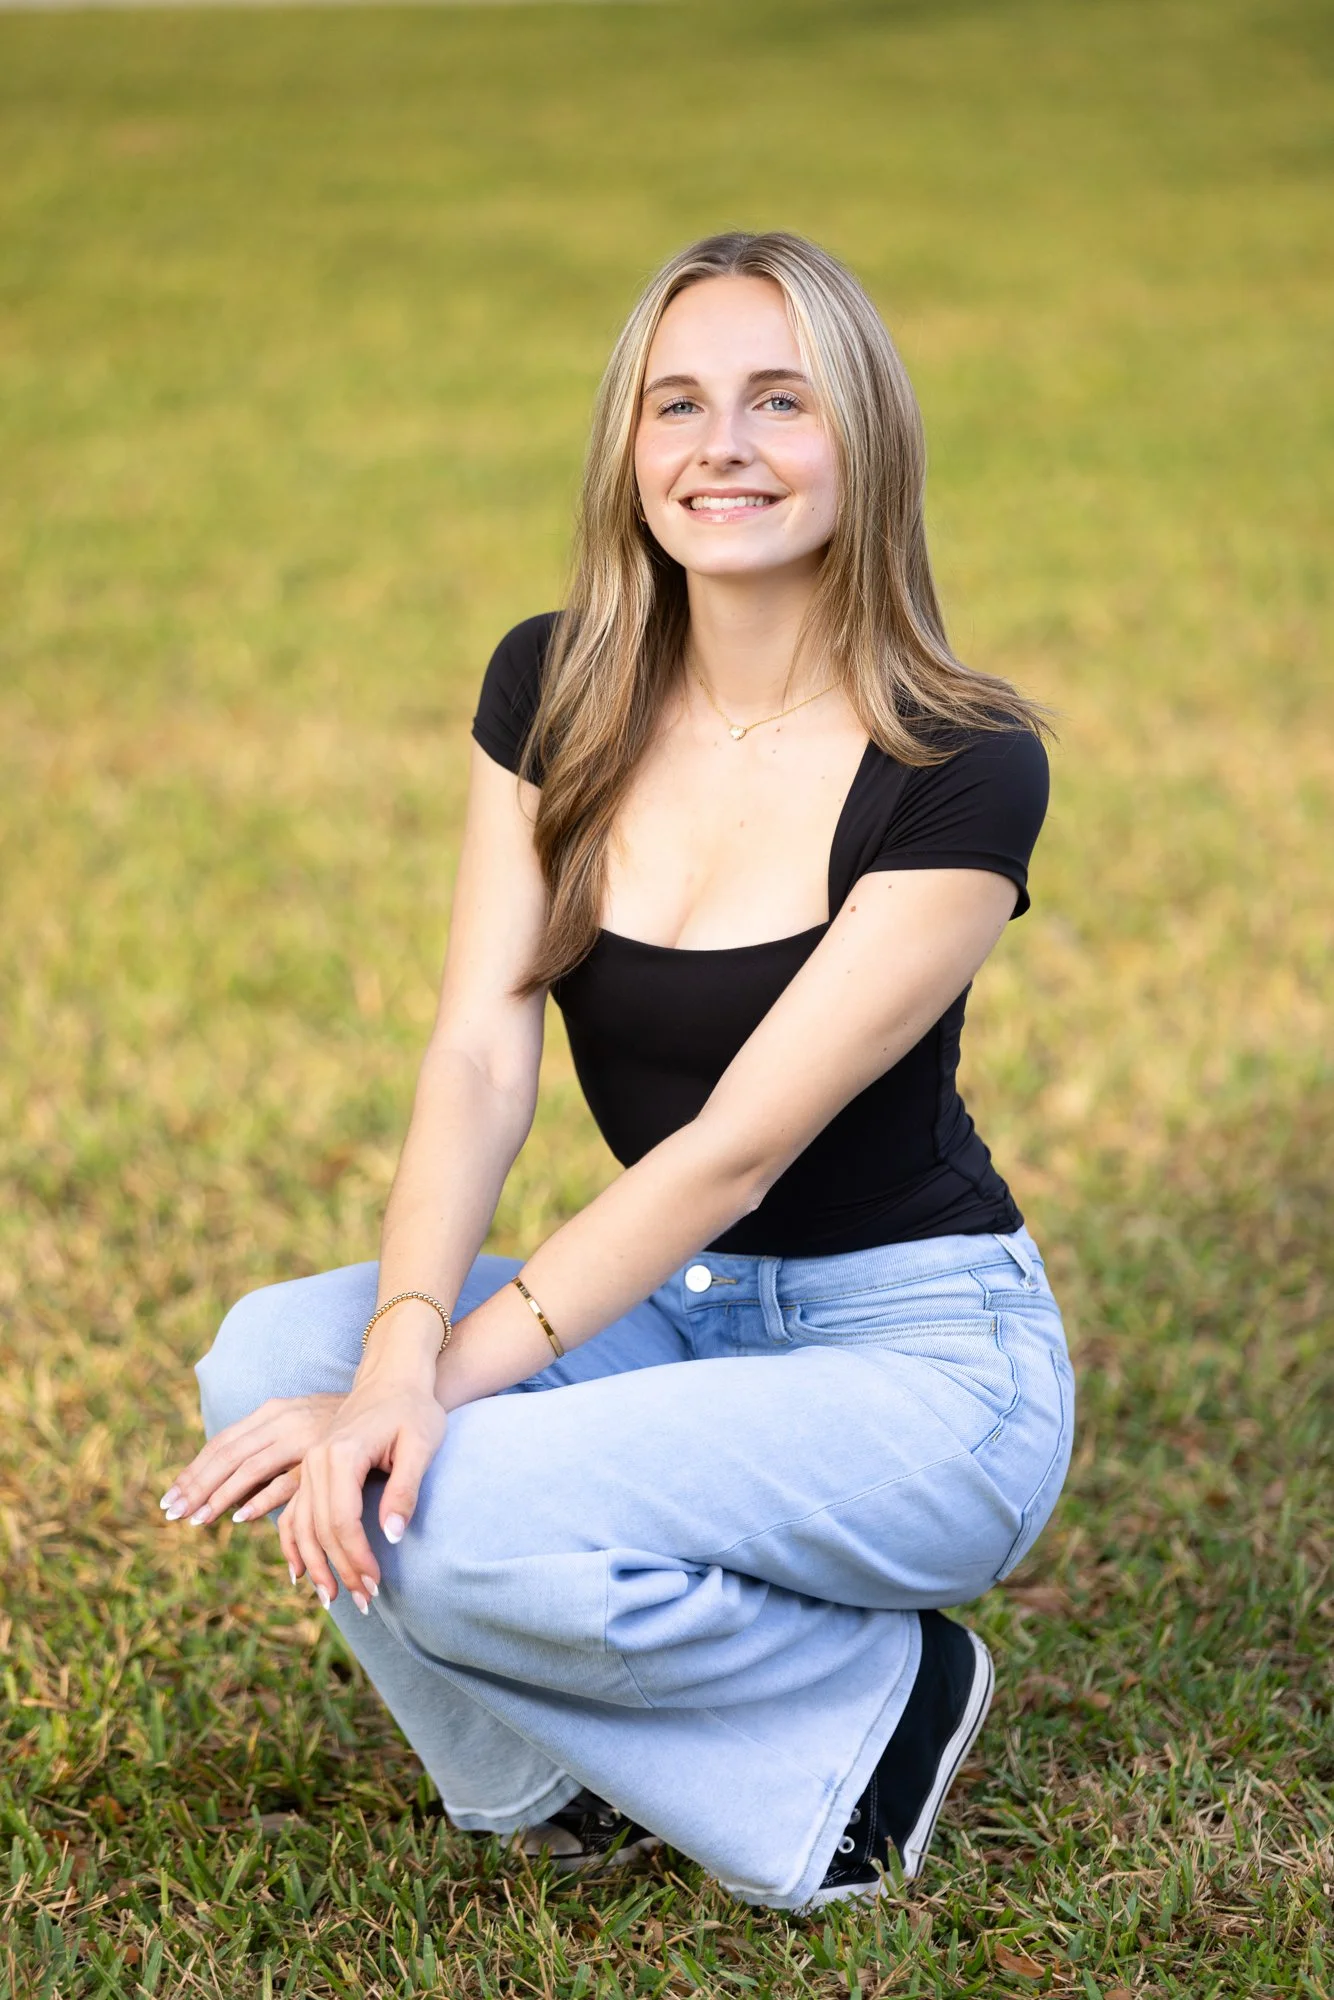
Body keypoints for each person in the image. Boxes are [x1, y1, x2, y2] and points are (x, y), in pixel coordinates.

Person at [162, 231, 1075, 1912]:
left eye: (778, 401)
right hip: (681, 1310)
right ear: (629, 446)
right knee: (268, 1363)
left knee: (438, 1489)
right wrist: (392, 1347)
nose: (720, 446)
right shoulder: (557, 684)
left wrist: (420, 1395)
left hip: (921, 1362)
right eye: (678, 404)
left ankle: (873, 1715)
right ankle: (546, 1788)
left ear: (860, 441)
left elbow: (729, 1151)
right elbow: (476, 1048)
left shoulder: (962, 762)